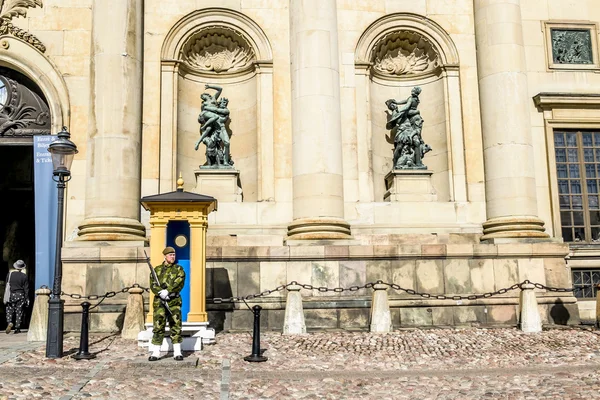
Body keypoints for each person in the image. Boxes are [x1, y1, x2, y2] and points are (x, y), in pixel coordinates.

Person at [148, 247, 186, 361]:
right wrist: (160, 292)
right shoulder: (157, 270)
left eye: (174, 255)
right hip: (160, 302)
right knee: (158, 325)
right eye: (170, 255)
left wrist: (168, 291)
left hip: (173, 301)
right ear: (165, 256)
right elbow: (153, 284)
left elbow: (179, 281)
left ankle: (177, 351)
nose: (173, 257)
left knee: (175, 325)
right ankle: (155, 352)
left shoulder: (179, 269)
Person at [4, 260, 29, 334]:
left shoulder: (9, 275)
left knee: (9, 310)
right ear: (22, 268)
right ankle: (17, 328)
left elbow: (6, 285)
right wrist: (26, 298)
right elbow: (26, 288)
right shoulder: (24, 276)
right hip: (20, 295)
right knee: (19, 311)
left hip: (11, 294)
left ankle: (9, 322)